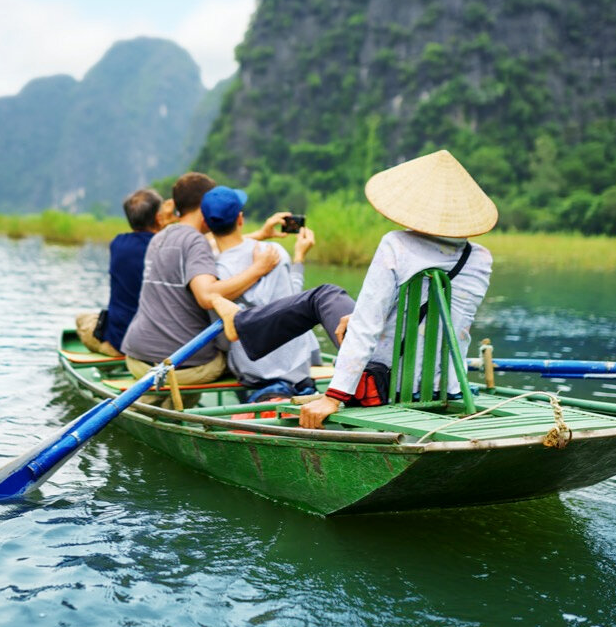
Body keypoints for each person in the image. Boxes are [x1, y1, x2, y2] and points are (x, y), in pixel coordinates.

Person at [212, 150, 496, 429]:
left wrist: (334, 397)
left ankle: (240, 323)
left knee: (324, 295)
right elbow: (443, 320)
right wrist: (361, 316)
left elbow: (367, 327)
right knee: (341, 306)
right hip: (445, 386)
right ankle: (241, 323)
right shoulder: (481, 258)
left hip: (383, 383)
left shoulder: (397, 245)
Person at [119, 172, 284, 394]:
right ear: (204, 205)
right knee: (241, 357)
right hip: (180, 366)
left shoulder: (161, 236)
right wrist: (258, 269)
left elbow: (211, 246)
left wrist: (260, 235)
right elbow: (207, 296)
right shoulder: (196, 241)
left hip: (137, 358)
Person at [201, 185, 334, 403]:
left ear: (206, 225)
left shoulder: (211, 274)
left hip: (256, 377)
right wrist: (299, 258)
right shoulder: (274, 252)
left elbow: (224, 341)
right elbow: (295, 304)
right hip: (298, 372)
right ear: (240, 219)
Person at [75, 188, 164, 356]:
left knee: (82, 318)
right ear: (158, 218)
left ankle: (107, 348)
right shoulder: (166, 248)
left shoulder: (118, 244)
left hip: (119, 340)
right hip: (156, 341)